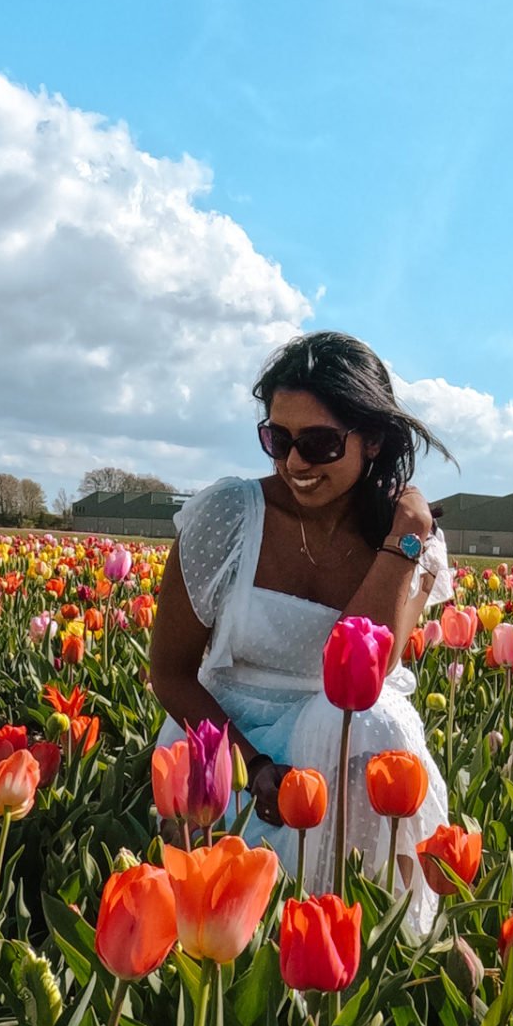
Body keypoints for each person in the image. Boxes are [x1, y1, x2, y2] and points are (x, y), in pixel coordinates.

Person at [149, 331, 455, 930]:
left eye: (317, 443)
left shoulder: (410, 539)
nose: (293, 463)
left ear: (372, 440)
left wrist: (404, 540)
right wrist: (252, 763)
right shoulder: (230, 515)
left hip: (343, 742)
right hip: (225, 746)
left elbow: (368, 670)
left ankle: (362, 932)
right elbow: (170, 673)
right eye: (277, 439)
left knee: (371, 715)